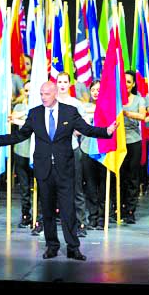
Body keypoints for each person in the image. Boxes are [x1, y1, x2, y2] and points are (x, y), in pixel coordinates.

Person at [0, 81, 117, 261]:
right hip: (43, 169)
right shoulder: (35, 113)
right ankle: (52, 246)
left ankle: (73, 248)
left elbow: (86, 129)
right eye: (41, 94)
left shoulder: (69, 112)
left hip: (64, 169)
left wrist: (107, 131)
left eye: (46, 94)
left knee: (68, 210)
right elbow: (21, 134)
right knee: (47, 209)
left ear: (54, 93)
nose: (43, 97)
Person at [56, 72, 88, 236]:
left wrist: (75, 130)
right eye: (59, 81)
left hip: (72, 149)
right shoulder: (50, 103)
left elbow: (85, 123)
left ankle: (81, 222)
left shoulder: (75, 103)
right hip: (54, 152)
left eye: (64, 82)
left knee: (76, 187)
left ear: (69, 84)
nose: (62, 84)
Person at [119, 71, 148, 224]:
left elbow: (143, 116)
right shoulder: (116, 98)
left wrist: (126, 113)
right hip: (118, 141)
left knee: (132, 177)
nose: (126, 84)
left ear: (133, 84)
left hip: (134, 141)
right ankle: (119, 207)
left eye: (129, 82)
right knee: (121, 176)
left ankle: (130, 210)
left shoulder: (139, 100)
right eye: (124, 81)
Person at [81, 80, 107, 230]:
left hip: (104, 150)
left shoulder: (109, 108)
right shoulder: (84, 108)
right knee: (90, 186)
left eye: (99, 89)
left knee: (103, 185)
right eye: (93, 90)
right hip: (87, 148)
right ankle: (93, 217)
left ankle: (103, 217)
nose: (96, 92)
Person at [10, 81, 34, 228]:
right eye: (26, 90)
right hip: (21, 151)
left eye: (32, 90)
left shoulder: (40, 107)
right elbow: (13, 118)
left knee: (39, 186)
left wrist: (21, 117)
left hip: (36, 152)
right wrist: (20, 116)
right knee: (24, 187)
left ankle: (39, 215)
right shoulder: (18, 107)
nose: (29, 93)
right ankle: (26, 214)